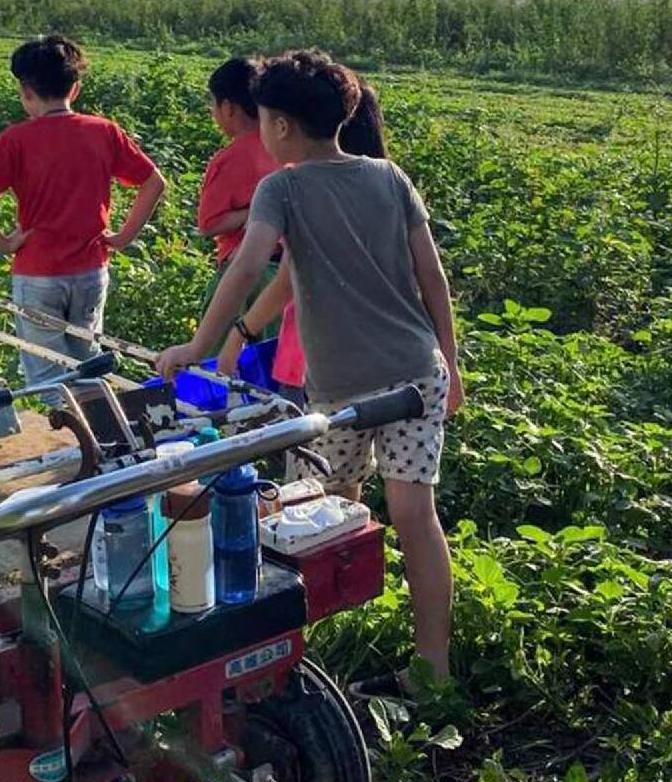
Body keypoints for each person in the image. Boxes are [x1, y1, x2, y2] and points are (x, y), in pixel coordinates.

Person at [155, 51, 461, 691]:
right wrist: (451, 369)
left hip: (342, 387)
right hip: (415, 374)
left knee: (320, 509)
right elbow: (431, 277)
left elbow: (245, 267)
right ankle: (432, 667)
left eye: (265, 119)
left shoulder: (283, 187)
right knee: (412, 515)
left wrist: (196, 346)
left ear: (283, 126)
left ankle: (301, 653)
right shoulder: (388, 176)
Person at [0, 34, 167, 385]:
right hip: (90, 269)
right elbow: (154, 182)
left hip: (38, 271)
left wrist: (3, 243)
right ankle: (97, 432)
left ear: (26, 91)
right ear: (75, 89)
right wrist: (123, 237)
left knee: (47, 374)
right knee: (87, 365)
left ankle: (63, 434)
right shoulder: (103, 131)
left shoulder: (16, 139)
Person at [219, 82, 388, 409]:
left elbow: (277, 280)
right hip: (389, 363)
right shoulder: (387, 184)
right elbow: (428, 278)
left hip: (315, 365)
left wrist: (233, 335)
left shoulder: (295, 189)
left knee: (312, 457)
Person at [196, 56, 281, 331]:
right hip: (288, 275)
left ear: (229, 107)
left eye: (214, 104)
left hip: (245, 273)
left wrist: (254, 213)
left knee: (217, 361)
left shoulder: (231, 158)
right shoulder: (286, 145)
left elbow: (210, 224)